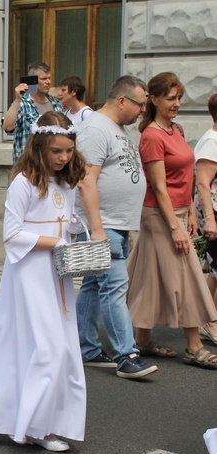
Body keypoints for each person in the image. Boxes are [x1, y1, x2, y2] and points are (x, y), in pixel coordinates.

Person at [0, 111, 87, 452]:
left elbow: (64, 220)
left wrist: (74, 228)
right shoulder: (23, 183)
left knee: (63, 348)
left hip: (58, 274)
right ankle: (32, 424)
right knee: (46, 347)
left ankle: (45, 422)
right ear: (39, 147)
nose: (63, 157)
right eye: (56, 151)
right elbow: (12, 235)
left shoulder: (65, 183)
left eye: (68, 151)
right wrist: (55, 241)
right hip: (30, 275)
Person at [127, 72, 217, 370]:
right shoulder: (151, 136)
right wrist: (175, 226)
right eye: (170, 98)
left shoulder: (175, 129)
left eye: (179, 98)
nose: (177, 103)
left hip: (177, 212)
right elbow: (159, 187)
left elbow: (187, 175)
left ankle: (141, 339)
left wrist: (191, 211)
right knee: (188, 277)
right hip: (159, 216)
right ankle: (193, 346)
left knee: (152, 278)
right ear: (153, 99)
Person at [74, 75, 159, 378]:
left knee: (95, 285)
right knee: (115, 287)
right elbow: (86, 180)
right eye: (140, 105)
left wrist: (125, 228)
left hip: (116, 225)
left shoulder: (118, 129)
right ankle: (127, 354)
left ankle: (86, 347)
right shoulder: (96, 128)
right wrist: (97, 229)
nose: (142, 111)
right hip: (103, 224)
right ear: (122, 100)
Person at [3, 62, 64, 164]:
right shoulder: (23, 103)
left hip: (52, 165)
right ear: (34, 81)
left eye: (49, 78)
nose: (48, 82)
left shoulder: (56, 103)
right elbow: (8, 127)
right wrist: (18, 100)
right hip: (28, 165)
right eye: (43, 79)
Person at [193, 93, 217, 345]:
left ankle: (207, 318)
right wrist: (209, 220)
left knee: (215, 270)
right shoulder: (211, 141)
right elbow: (202, 182)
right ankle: (209, 320)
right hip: (214, 212)